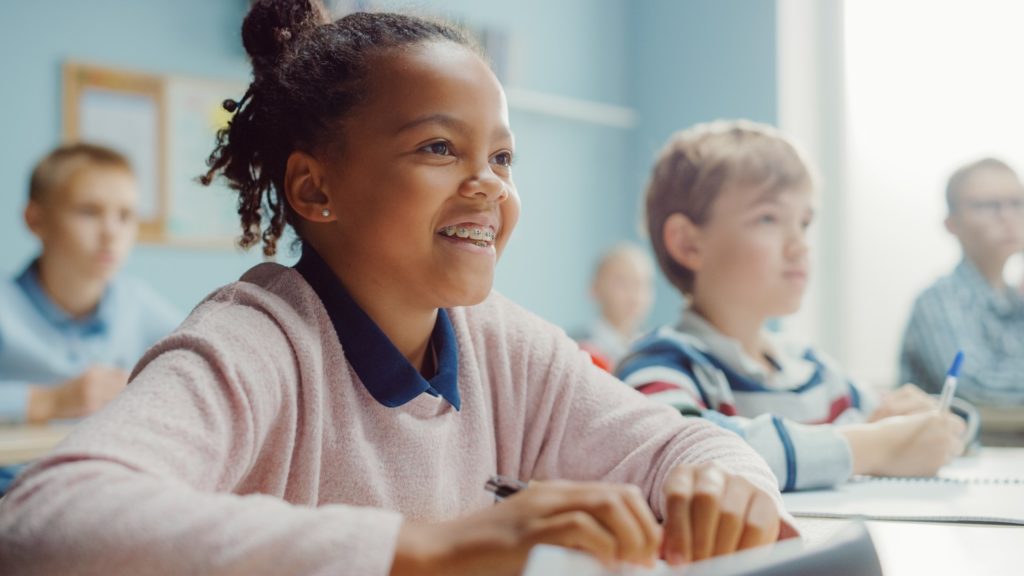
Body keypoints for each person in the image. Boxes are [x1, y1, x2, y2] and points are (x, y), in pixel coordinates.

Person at [0, 5, 796, 575]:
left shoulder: (502, 342)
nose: (488, 185)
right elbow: (41, 524)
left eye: (504, 159)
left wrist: (723, 485)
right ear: (315, 191)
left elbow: (680, 444)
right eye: (440, 148)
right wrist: (424, 548)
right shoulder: (254, 342)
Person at [617, 120, 967, 493]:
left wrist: (933, 424)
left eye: (804, 222)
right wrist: (878, 445)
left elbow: (936, 430)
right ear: (689, 244)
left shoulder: (812, 371)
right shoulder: (661, 363)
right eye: (768, 219)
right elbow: (681, 456)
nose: (799, 245)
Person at [0, 143, 180, 426]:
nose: (111, 232)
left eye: (125, 216)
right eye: (89, 211)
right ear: (35, 220)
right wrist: (49, 401)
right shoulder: (5, 306)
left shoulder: (136, 302)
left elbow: (199, 363)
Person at [900, 158, 1024, 405]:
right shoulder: (938, 301)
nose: (1007, 217)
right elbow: (976, 385)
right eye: (987, 206)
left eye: (1017, 203)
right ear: (952, 224)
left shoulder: (1015, 300)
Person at [576, 243, 655, 369]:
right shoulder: (573, 350)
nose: (634, 293)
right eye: (621, 282)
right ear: (594, 288)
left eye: (641, 284)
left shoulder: (658, 350)